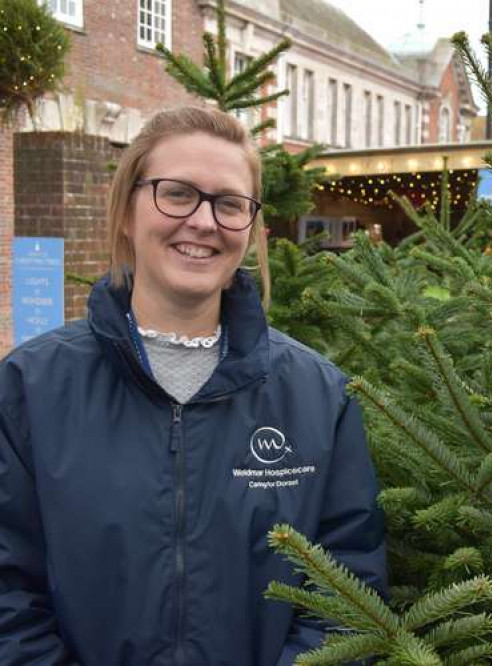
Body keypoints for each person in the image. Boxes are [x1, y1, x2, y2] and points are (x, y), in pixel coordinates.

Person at [0, 107, 386, 665]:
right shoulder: (31, 388)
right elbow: (9, 594)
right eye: (177, 194)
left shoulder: (317, 397)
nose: (204, 221)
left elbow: (347, 594)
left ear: (250, 228)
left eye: (229, 203)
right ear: (128, 212)